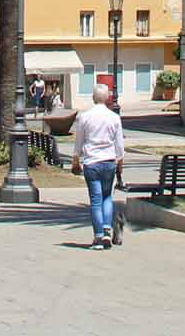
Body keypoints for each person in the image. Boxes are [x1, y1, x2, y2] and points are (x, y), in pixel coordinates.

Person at [73, 84, 127, 250]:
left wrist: (75, 160)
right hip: (109, 162)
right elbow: (119, 145)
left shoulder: (85, 117)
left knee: (95, 200)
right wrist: (120, 163)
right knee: (106, 197)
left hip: (91, 162)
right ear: (107, 98)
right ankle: (106, 231)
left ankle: (98, 236)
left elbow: (79, 141)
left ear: (93, 98)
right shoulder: (114, 117)